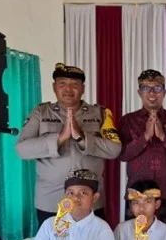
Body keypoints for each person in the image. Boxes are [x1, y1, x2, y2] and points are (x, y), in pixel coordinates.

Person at [16, 63, 122, 226]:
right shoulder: (40, 113)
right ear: (54, 87)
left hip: (91, 201)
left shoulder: (100, 113)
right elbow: (22, 149)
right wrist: (60, 138)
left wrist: (82, 138)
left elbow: (115, 149)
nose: (68, 89)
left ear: (83, 88)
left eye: (74, 84)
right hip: (52, 201)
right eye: (62, 83)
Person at [118, 69, 166, 230]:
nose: (152, 93)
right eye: (146, 88)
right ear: (139, 92)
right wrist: (145, 136)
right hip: (137, 195)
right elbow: (123, 154)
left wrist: (162, 136)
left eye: (157, 88)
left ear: (164, 92)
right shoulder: (128, 120)